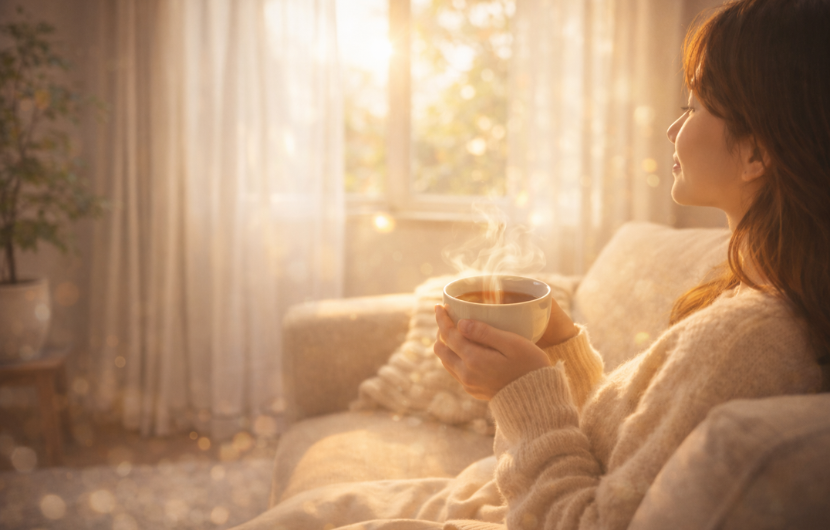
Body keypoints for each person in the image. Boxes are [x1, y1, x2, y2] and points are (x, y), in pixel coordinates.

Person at [234, 0, 827, 528]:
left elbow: (586, 519)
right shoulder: (751, 294)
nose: (674, 128)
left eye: (695, 107)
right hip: (499, 496)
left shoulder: (747, 339)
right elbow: (621, 447)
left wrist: (520, 391)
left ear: (756, 152)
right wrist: (560, 345)